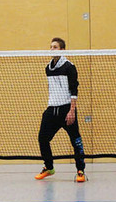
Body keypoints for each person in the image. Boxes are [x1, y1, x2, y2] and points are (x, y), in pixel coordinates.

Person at [35, 37, 87, 182]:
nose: (52, 49)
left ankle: (80, 170)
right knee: (43, 138)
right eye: (51, 47)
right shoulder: (48, 68)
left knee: (76, 140)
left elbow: (74, 90)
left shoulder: (69, 67)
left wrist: (72, 110)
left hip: (66, 109)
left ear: (63, 50)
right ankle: (49, 167)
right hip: (52, 109)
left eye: (55, 47)